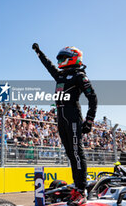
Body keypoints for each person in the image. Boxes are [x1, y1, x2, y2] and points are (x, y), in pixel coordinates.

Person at [32, 43, 97, 205]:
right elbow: (49, 66)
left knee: (76, 153)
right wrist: (39, 52)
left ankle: (81, 190)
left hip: (73, 116)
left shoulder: (80, 76)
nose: (60, 60)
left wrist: (89, 120)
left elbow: (93, 98)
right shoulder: (60, 75)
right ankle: (77, 187)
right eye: (59, 58)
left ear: (73, 58)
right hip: (60, 117)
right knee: (70, 154)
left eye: (62, 57)